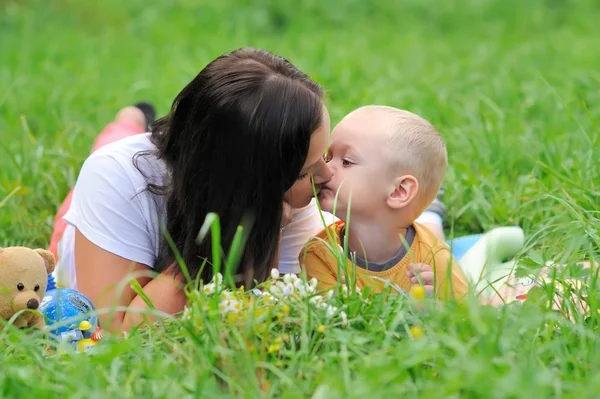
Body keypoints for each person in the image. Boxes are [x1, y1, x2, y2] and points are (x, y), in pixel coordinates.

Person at [52, 48, 333, 332]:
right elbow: (116, 331)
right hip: (88, 225)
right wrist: (222, 240)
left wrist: (268, 230)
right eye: (303, 172)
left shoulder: (284, 195)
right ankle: (130, 119)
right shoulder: (116, 176)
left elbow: (263, 303)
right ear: (243, 183)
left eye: (324, 156)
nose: (327, 174)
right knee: (113, 145)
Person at [299, 105, 469, 300]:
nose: (326, 169)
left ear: (399, 191)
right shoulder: (320, 256)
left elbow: (469, 315)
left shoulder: (434, 260)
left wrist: (432, 310)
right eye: (327, 157)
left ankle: (432, 213)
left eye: (346, 161)